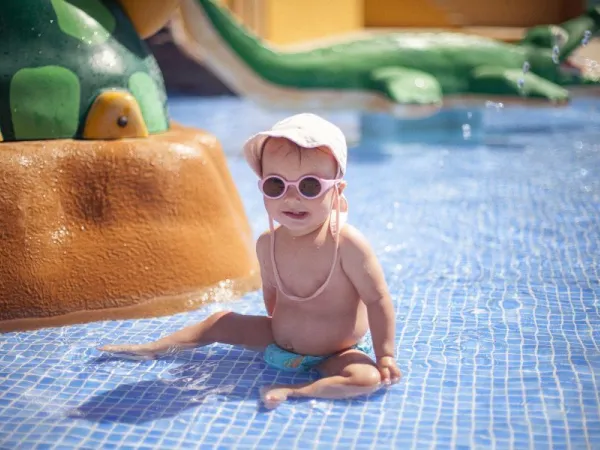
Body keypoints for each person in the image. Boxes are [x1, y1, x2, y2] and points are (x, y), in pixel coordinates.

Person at [99, 113, 401, 409]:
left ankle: (297, 390)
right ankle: (155, 348)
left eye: (309, 186)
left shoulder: (347, 244)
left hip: (338, 351)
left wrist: (385, 354)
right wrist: (286, 330)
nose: (291, 198)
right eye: (276, 185)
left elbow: (377, 299)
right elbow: (271, 295)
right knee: (220, 322)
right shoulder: (267, 243)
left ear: (337, 191)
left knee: (366, 379)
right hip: (279, 340)